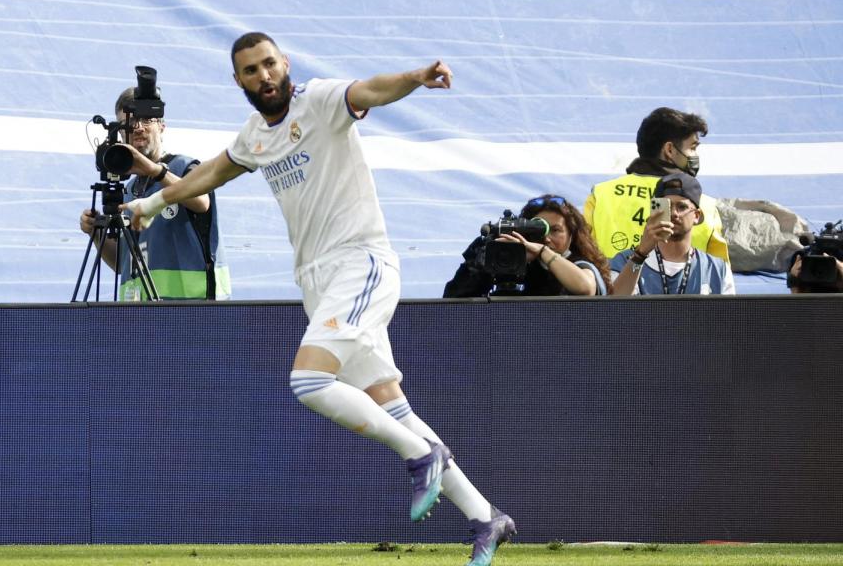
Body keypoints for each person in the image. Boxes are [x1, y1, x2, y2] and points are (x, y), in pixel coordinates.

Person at [120, 32, 515, 565]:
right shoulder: (257, 135)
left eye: (269, 64)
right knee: (391, 406)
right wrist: (154, 203)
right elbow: (213, 171)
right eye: (250, 70)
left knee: (308, 381)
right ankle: (485, 517)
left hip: (361, 263)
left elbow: (371, 90)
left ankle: (421, 455)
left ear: (285, 65)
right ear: (238, 81)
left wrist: (417, 79)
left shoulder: (322, 100)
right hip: (317, 280)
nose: (263, 75)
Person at [78, 85, 230, 300]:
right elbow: (122, 265)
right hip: (144, 315)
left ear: (162, 126)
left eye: (147, 119)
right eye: (130, 123)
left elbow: (201, 201)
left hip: (194, 310)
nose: (138, 127)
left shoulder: (185, 168)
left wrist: (155, 171)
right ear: (121, 133)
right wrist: (96, 234)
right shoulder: (130, 190)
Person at [583, 107, 729, 262]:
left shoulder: (601, 195)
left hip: (615, 284)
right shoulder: (703, 206)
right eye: (692, 148)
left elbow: (581, 258)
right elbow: (720, 276)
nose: (695, 156)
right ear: (670, 150)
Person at [443, 194, 612, 297]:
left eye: (556, 230)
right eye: (538, 230)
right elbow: (454, 301)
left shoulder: (580, 265)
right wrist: (484, 260)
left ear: (572, 234)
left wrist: (542, 251)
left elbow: (585, 288)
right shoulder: (519, 264)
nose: (547, 238)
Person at [610, 172, 735, 295]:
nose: (674, 213)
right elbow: (613, 308)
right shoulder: (623, 262)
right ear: (655, 211)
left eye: (682, 207)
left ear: (696, 216)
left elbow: (729, 315)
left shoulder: (718, 270)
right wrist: (639, 256)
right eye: (668, 207)